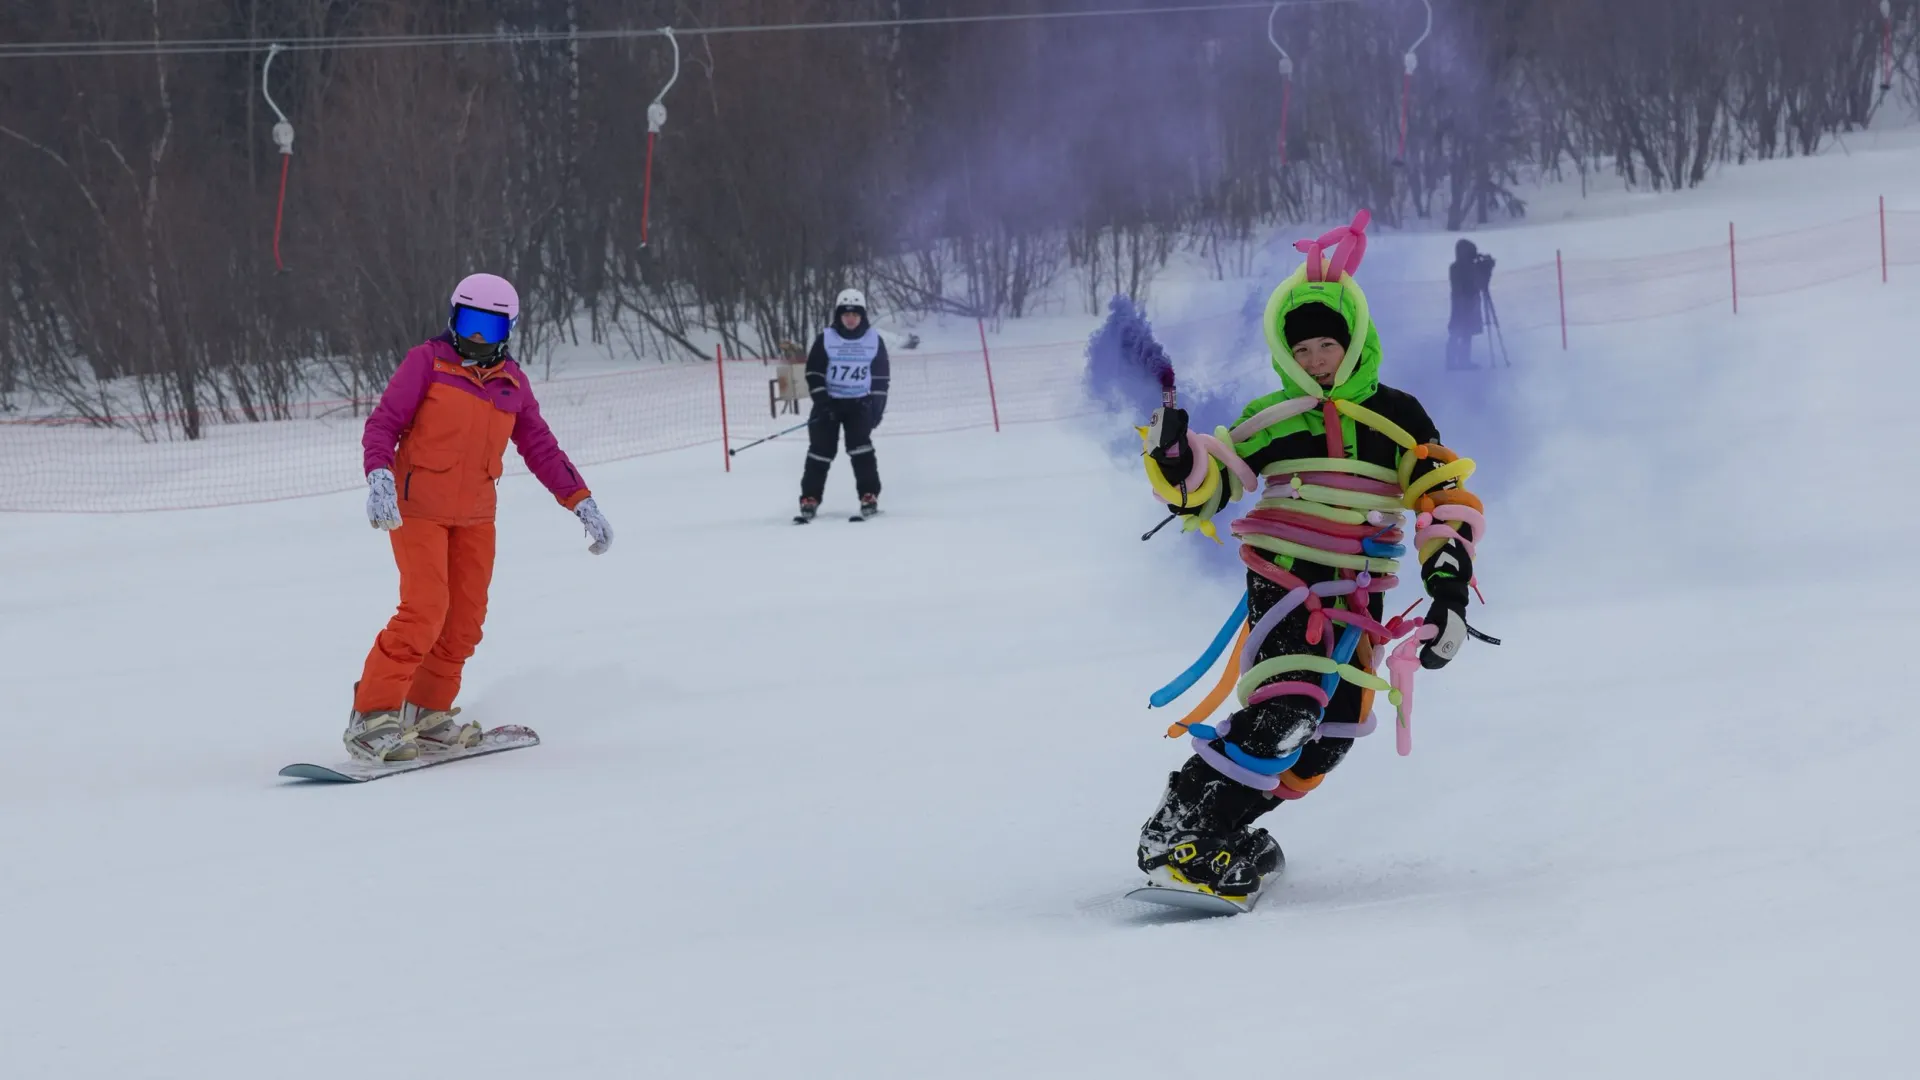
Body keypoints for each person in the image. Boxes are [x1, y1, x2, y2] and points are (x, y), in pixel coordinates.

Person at [1135, 212, 1488, 904]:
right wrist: (1179, 461)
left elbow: (1440, 501)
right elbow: (1218, 479)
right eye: (1307, 349)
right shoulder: (1275, 416)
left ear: (1355, 341)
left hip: (1360, 596)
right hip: (1287, 578)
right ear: (1286, 352)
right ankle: (1188, 827)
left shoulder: (1399, 418)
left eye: (1330, 343)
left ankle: (1214, 824)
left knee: (1332, 732)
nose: (1319, 359)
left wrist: (1448, 593)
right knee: (1289, 704)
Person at [344, 273, 614, 762]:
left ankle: (427, 713)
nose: (476, 337)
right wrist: (379, 474)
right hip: (418, 508)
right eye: (468, 323)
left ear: (508, 329)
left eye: (489, 328)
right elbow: (384, 422)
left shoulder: (512, 383)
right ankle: (372, 716)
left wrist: (581, 500)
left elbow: (540, 447)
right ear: (452, 318)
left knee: (465, 620)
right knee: (425, 608)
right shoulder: (426, 362)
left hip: (474, 516)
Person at [796, 289, 889, 522]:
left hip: (859, 405)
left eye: (855, 314)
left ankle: (869, 495)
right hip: (828, 405)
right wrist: (823, 402)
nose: (850, 319)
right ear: (839, 315)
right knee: (820, 452)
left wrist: (877, 406)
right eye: (846, 314)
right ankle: (810, 497)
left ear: (862, 316)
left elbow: (880, 377)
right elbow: (814, 372)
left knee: (861, 449)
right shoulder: (826, 338)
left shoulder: (874, 340)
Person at [1447, 238, 1495, 370]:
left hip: (1467, 304)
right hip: (1462, 305)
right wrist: (1483, 267)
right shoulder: (1457, 268)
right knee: (1457, 332)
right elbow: (1476, 283)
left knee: (1465, 333)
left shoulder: (1461, 267)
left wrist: (1486, 269)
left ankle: (1462, 361)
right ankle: (1451, 362)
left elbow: (1481, 283)